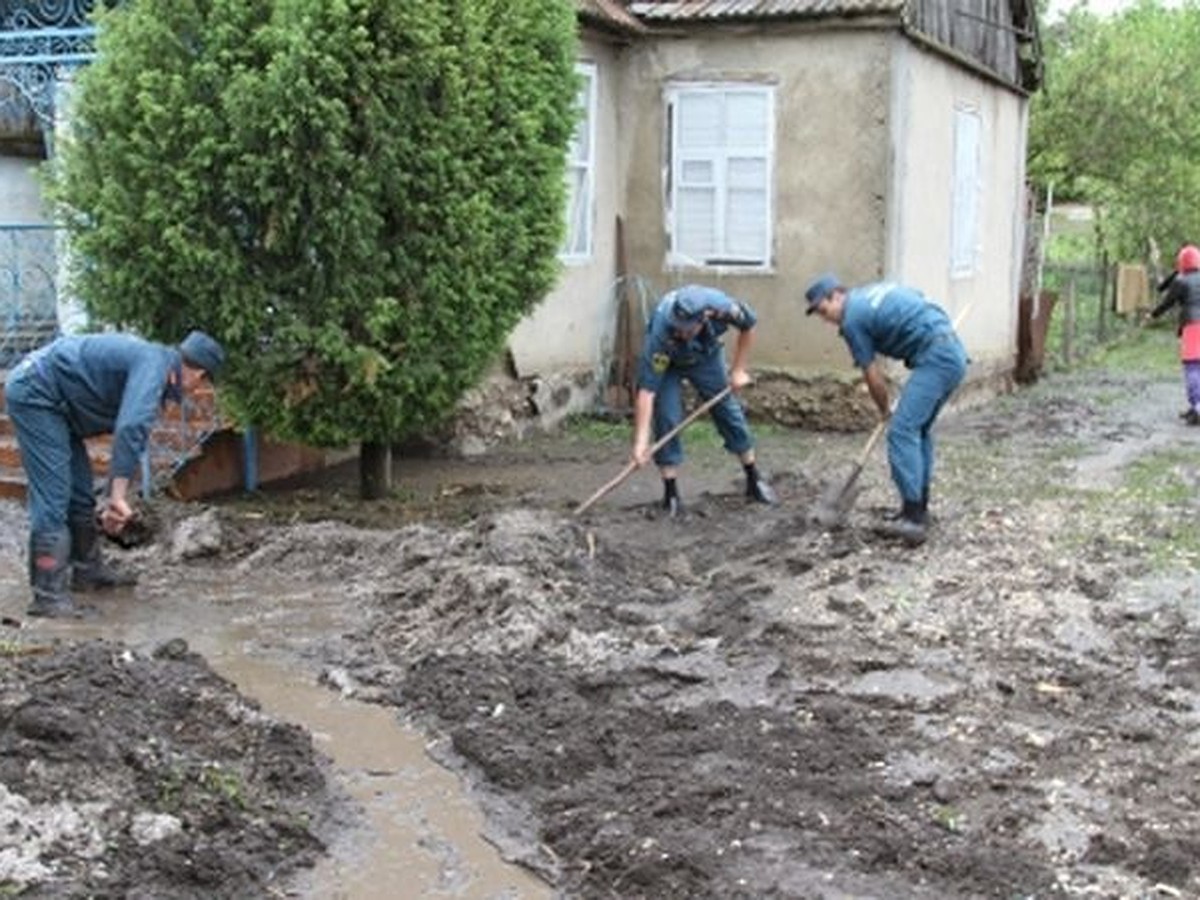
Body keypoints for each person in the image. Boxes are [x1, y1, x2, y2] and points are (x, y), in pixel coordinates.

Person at [5, 329, 225, 618]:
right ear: (194, 371)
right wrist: (116, 497)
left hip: (58, 406)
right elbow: (131, 427)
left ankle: (87, 572)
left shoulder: (156, 364)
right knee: (54, 496)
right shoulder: (154, 366)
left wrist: (112, 495)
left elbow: (133, 430)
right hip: (36, 393)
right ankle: (47, 597)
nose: (197, 388)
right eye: (203, 379)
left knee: (80, 492)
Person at [804, 274, 967, 546]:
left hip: (936, 358)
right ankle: (918, 508)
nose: (825, 319)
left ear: (837, 295)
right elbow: (916, 297)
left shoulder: (852, 319)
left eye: (824, 310)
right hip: (950, 352)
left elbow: (872, 374)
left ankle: (913, 520)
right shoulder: (871, 294)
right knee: (919, 429)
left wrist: (883, 410)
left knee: (901, 431)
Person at [631, 284, 776, 517]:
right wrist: (640, 443)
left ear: (703, 319)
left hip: (705, 356)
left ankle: (753, 479)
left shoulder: (724, 307)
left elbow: (748, 326)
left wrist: (738, 370)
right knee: (666, 416)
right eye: (677, 328)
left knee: (727, 410)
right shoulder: (661, 332)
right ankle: (671, 495)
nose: (680, 333)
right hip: (668, 365)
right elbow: (647, 391)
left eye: (686, 330)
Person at [1149, 244, 1200, 426]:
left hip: (1192, 327)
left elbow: (1167, 302)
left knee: (1193, 367)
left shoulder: (1181, 280)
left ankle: (1198, 407)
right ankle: (1194, 407)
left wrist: (1152, 315)